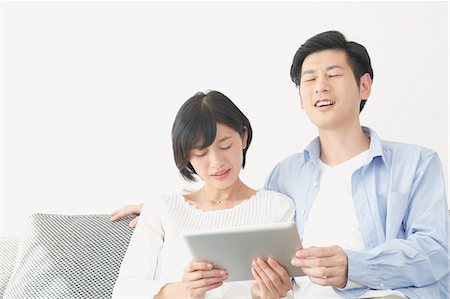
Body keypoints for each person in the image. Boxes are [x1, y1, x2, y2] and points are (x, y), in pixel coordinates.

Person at [112, 31, 449, 299]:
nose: (321, 86)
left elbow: (437, 253)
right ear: (301, 99)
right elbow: (249, 225)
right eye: (309, 80)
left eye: (333, 75)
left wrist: (353, 266)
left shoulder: (416, 164)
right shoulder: (285, 177)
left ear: (365, 85)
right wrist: (172, 210)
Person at [111, 90, 295, 299]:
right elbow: (125, 291)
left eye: (225, 145)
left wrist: (268, 294)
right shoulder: (162, 208)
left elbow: (292, 291)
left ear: (243, 137)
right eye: (201, 153)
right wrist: (185, 290)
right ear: (187, 156)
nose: (217, 162)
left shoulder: (278, 208)